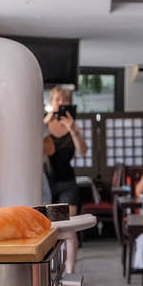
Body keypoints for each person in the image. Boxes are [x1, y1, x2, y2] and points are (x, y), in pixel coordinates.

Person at [44, 85, 87, 273]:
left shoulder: (73, 127)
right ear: (51, 103)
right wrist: (44, 122)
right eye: (57, 100)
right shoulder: (42, 125)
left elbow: (83, 151)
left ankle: (69, 270)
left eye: (65, 100)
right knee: (46, 229)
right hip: (45, 182)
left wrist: (72, 129)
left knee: (69, 229)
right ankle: (48, 268)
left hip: (67, 182)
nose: (61, 104)